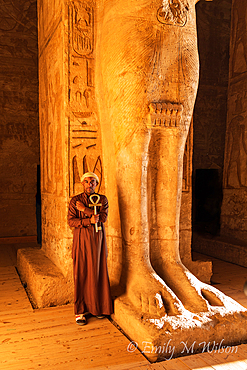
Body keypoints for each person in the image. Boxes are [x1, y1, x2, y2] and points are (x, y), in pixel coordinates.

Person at [68, 171, 113, 325]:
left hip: (97, 240)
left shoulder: (102, 199)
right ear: (82, 183)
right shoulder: (75, 201)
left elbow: (103, 218)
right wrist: (88, 220)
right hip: (81, 239)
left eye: (92, 182)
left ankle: (98, 308)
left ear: (96, 184)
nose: (89, 184)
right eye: (87, 182)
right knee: (81, 271)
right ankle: (80, 312)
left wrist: (85, 211)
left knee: (97, 271)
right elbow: (71, 222)